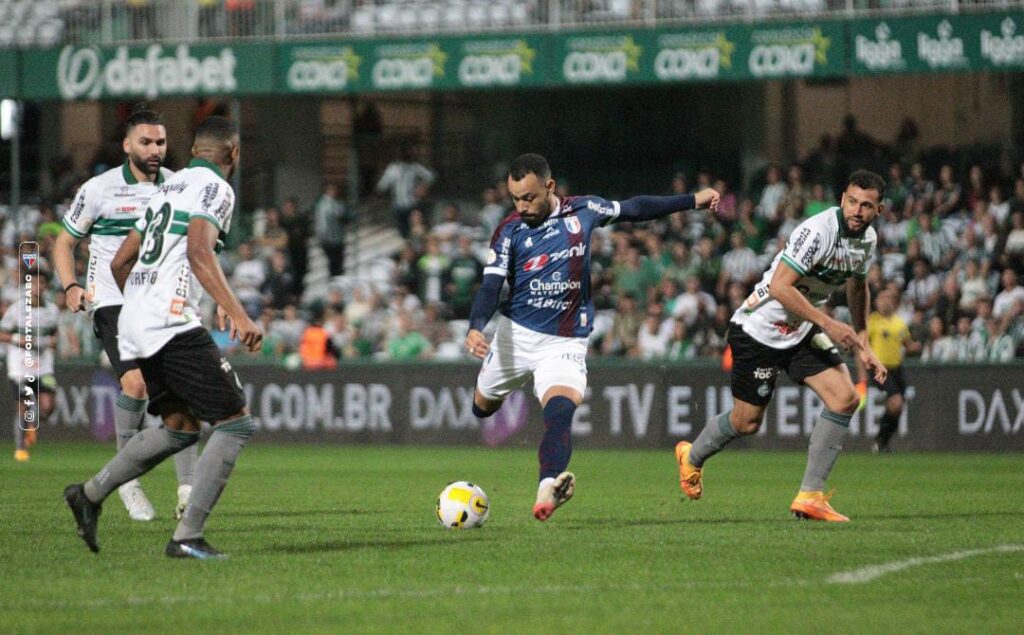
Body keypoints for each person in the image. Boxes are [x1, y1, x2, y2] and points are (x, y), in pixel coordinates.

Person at [465, 153, 720, 521]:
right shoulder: (509, 230)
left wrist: (692, 200)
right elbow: (491, 286)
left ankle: (547, 489)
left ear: (549, 187)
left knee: (560, 412)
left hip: (564, 341)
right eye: (515, 198)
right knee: (482, 407)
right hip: (514, 338)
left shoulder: (583, 211)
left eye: (529, 198)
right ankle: (492, 399)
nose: (521, 206)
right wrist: (475, 325)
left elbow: (635, 208)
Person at [64, 116, 263, 559]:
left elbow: (121, 260)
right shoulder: (217, 189)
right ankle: (186, 537)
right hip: (169, 323)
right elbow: (198, 251)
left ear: (192, 150)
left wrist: (141, 298)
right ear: (232, 153)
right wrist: (239, 315)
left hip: (134, 318)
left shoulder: (166, 190)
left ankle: (89, 495)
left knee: (180, 429)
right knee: (235, 423)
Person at [675, 170, 888, 523]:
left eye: (866, 205)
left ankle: (810, 496)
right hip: (758, 330)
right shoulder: (817, 231)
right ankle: (691, 457)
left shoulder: (868, 240)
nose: (857, 210)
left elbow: (857, 285)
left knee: (845, 398)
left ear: (877, 211)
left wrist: (863, 337)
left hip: (800, 328)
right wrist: (830, 324)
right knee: (746, 423)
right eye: (852, 201)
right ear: (842, 200)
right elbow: (779, 287)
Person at [52, 104, 195, 522]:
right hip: (112, 300)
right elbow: (64, 243)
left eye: (162, 142)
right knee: (134, 385)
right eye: (147, 142)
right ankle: (127, 481)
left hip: (158, 300)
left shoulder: (176, 185)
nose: (155, 149)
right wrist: (71, 286)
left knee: (180, 393)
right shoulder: (99, 189)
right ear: (127, 145)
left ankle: (186, 491)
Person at [0, 271, 59, 462]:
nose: (37, 287)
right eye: (33, 283)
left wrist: (53, 341)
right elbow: (2, 333)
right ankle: (20, 449)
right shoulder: (16, 310)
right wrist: (18, 339)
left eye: (41, 283)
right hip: (20, 365)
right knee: (23, 405)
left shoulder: (52, 310)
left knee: (48, 407)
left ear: (46, 286)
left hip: (44, 365)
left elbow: (55, 334)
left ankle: (33, 422)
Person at [862, 288, 913, 452]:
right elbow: (862, 345)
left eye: (888, 298)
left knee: (898, 407)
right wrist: (863, 367)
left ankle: (883, 442)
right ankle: (880, 439)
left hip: (897, 367)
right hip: (879, 368)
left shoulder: (900, 323)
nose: (885, 301)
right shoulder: (872, 321)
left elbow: (907, 345)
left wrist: (917, 346)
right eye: (882, 298)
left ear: (894, 302)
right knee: (896, 401)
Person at [375, 143, 436, 238]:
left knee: (416, 230)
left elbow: (431, 176)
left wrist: (423, 187)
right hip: (398, 205)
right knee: (403, 233)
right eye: (404, 153)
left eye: (409, 153)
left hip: (413, 204)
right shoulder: (393, 168)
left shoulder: (415, 167)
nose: (406, 155)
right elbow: (382, 185)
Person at [314, 183, 349, 277]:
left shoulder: (338, 203)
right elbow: (321, 222)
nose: (333, 192)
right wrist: (321, 236)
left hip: (338, 238)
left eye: (334, 190)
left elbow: (342, 215)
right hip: (328, 239)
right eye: (331, 190)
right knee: (333, 263)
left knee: (338, 263)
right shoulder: (323, 204)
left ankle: (337, 282)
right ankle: (334, 283)